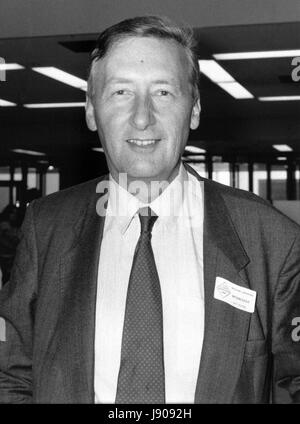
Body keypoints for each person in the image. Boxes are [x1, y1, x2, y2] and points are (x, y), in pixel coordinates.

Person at [0, 15, 300, 404]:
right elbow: (11, 375)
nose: (142, 118)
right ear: (91, 110)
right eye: (121, 92)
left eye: (163, 93)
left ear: (193, 109)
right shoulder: (46, 226)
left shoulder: (273, 240)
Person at [0, 205, 21, 286]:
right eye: (13, 213)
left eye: (15, 213)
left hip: (9, 256)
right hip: (5, 257)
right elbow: (9, 239)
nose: (14, 215)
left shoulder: (11, 224)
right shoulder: (4, 224)